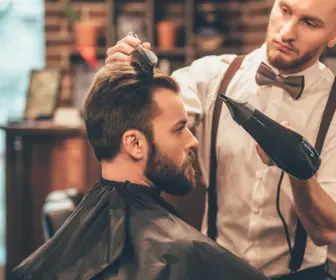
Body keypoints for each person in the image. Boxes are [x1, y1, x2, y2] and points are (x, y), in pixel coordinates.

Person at [105, 0, 336, 279]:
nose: (287, 32)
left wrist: (298, 169)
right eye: (285, 10)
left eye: (310, 23)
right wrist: (123, 77)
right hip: (214, 271)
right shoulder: (212, 76)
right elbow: (140, 124)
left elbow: (325, 231)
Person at [11, 63, 270, 280]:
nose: (193, 141)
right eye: (179, 129)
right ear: (135, 144)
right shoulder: (184, 252)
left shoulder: (42, 262)